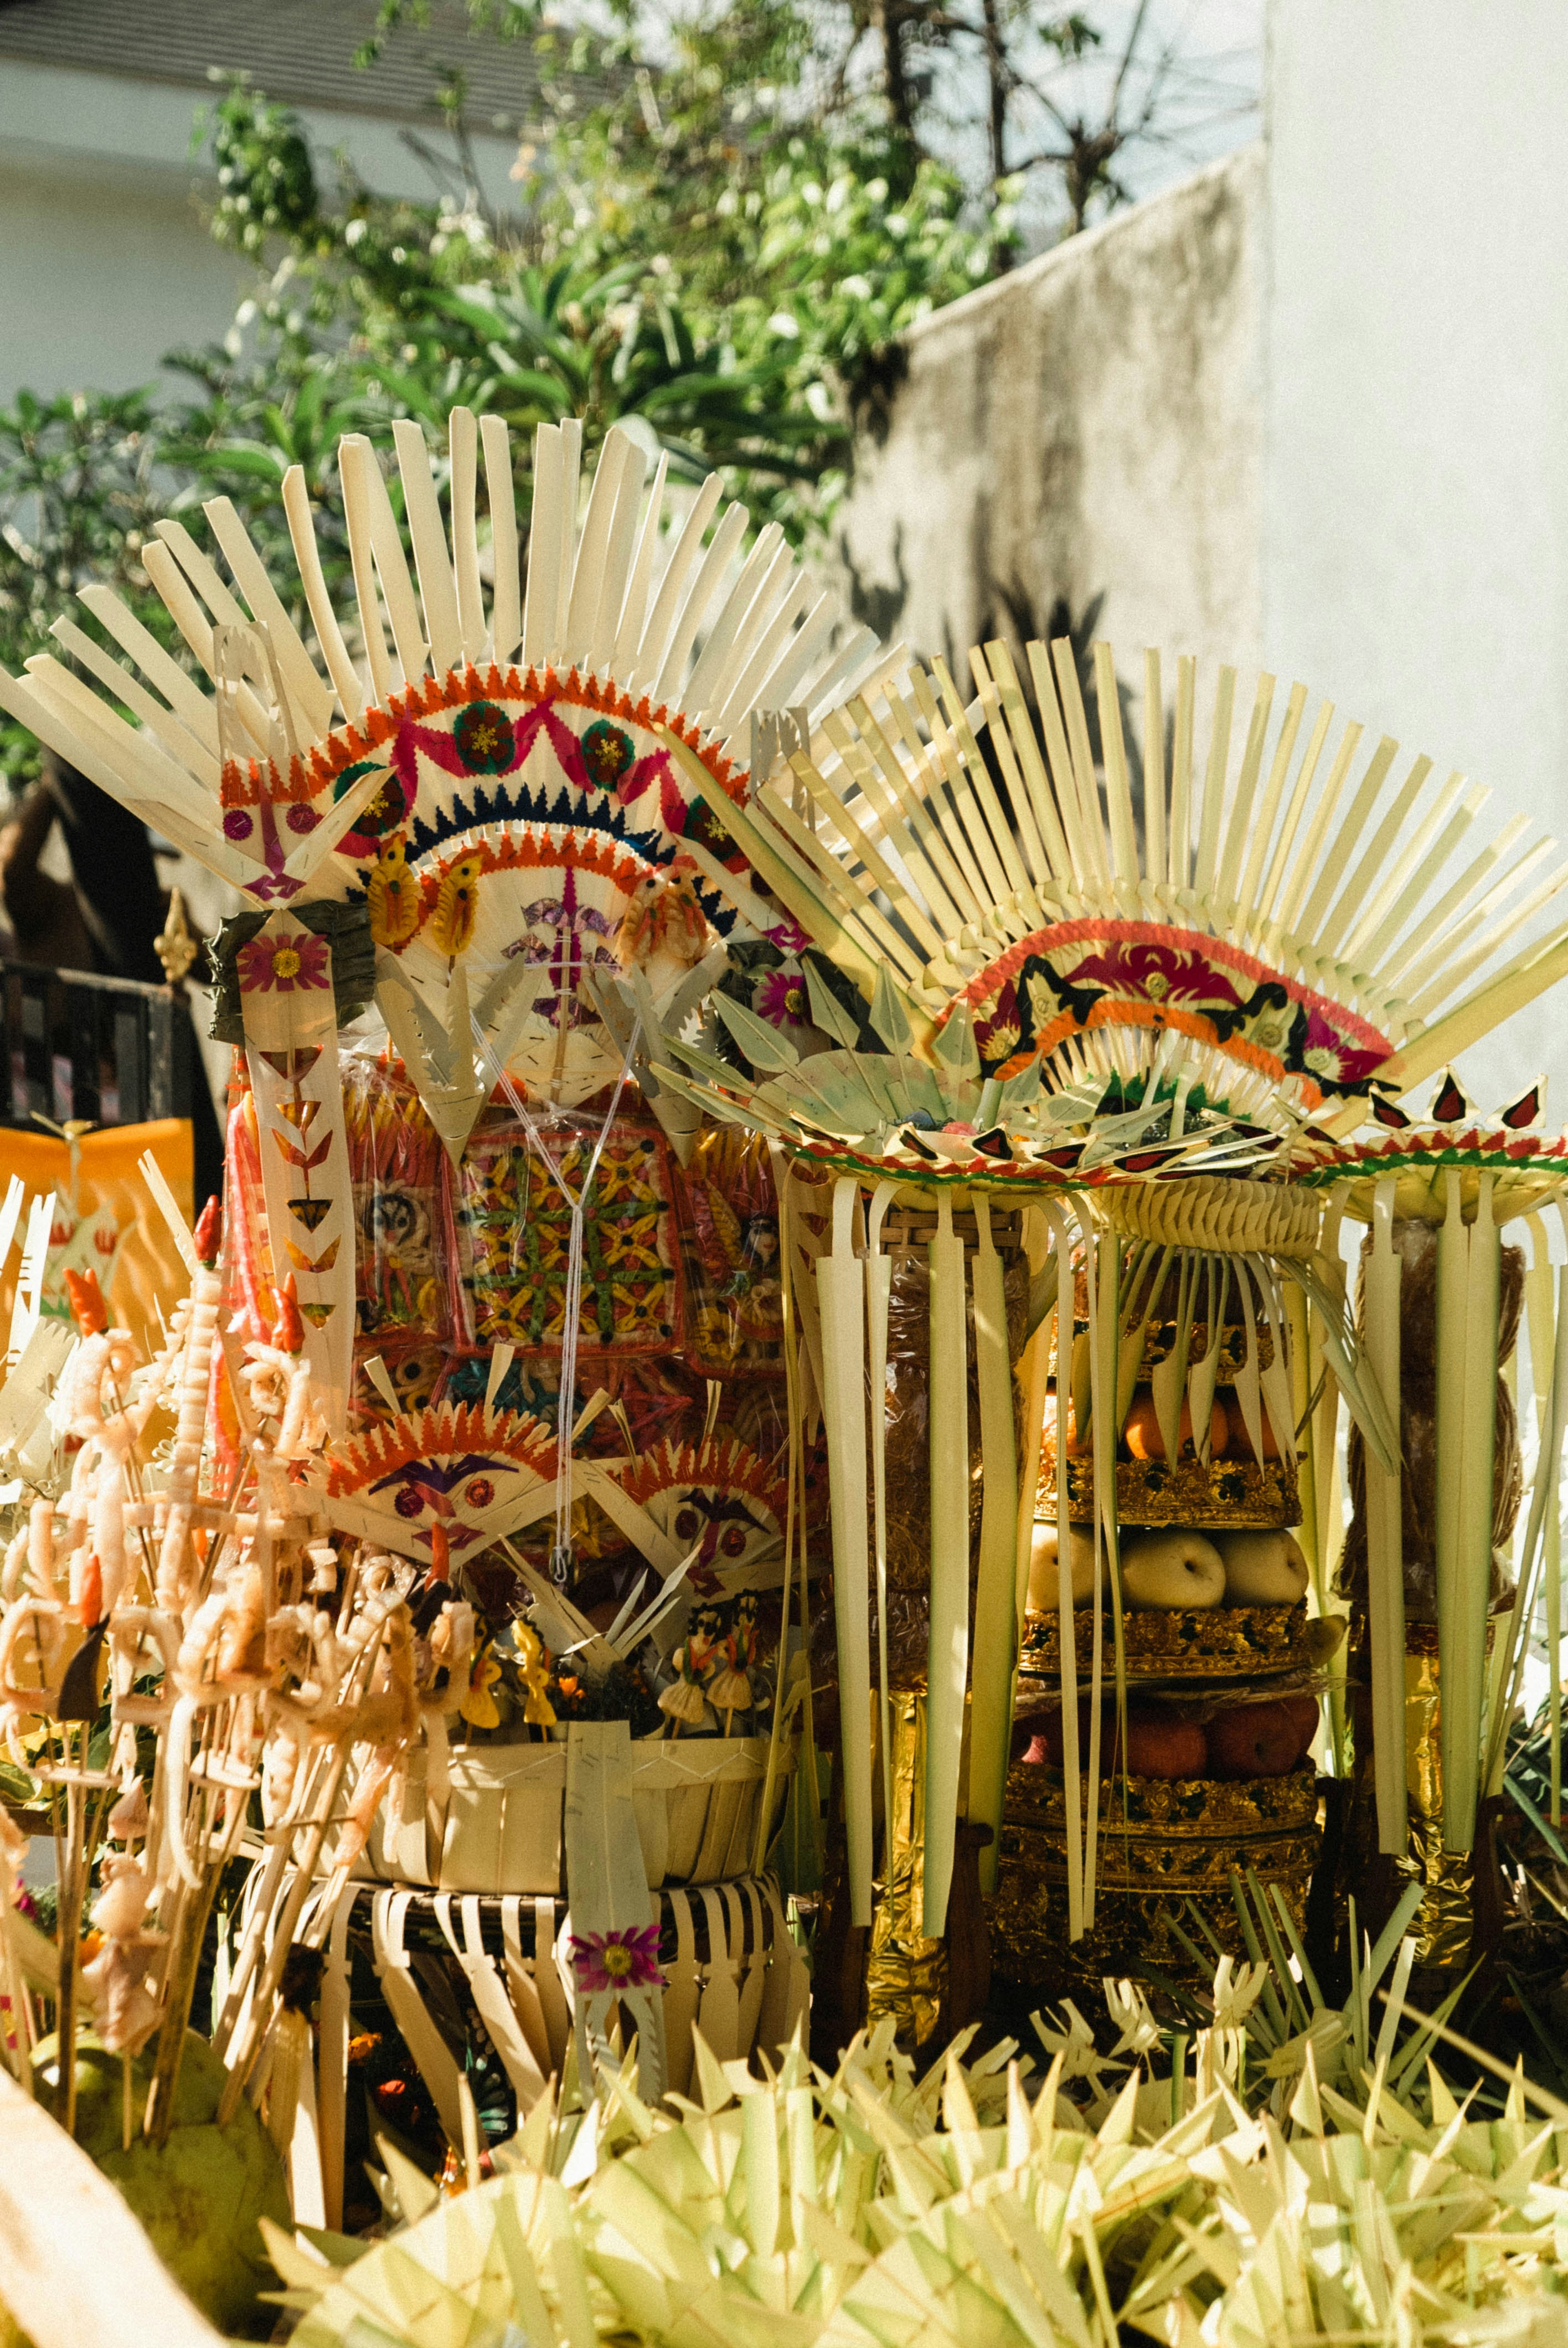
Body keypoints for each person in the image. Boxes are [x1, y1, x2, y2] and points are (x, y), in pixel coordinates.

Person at [0, 753, 225, 1205]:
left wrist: (186, 939)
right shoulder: (49, 906)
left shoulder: (160, 911)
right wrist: (64, 771)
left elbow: (217, 975)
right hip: (54, 1086)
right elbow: (11, 870)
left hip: (139, 1087)